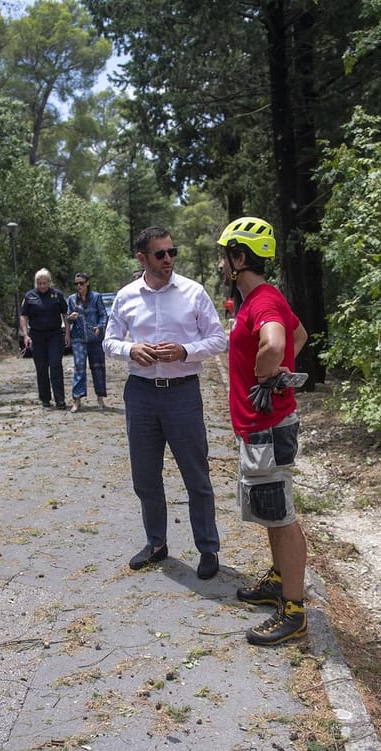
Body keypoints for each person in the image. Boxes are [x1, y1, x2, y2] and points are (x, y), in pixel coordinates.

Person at [104, 226, 228, 579]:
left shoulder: (193, 292)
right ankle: (156, 543)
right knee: (145, 476)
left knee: (196, 475)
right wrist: (131, 349)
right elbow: (109, 341)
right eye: (161, 254)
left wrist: (186, 350)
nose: (169, 259)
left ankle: (208, 548)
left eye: (172, 251)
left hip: (183, 393)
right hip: (141, 394)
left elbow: (218, 339)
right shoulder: (126, 296)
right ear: (142, 258)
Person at [217, 217, 309, 645]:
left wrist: (264, 370)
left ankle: (293, 611)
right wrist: (276, 373)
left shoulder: (261, 302)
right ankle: (277, 581)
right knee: (270, 509)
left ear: (239, 258)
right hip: (263, 425)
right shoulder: (264, 298)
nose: (221, 265)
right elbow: (300, 335)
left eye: (224, 257)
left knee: (281, 513)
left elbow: (275, 342)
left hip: (268, 427)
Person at [18, 267, 70, 409]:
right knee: (41, 367)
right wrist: (25, 335)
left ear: (49, 282)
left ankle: (60, 399)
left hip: (54, 334)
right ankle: (45, 399)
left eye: (45, 283)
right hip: (37, 335)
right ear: (36, 283)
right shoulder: (30, 296)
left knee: (55, 365)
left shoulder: (57, 295)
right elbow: (23, 316)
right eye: (39, 283)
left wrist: (67, 333)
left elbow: (65, 315)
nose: (42, 286)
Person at [66, 271, 109, 411]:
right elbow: (67, 318)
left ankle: (100, 398)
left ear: (87, 283)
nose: (79, 286)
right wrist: (70, 318)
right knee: (79, 368)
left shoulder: (96, 297)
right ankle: (77, 400)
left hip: (95, 338)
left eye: (81, 283)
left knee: (98, 368)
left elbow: (103, 314)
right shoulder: (72, 299)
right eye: (76, 284)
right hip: (78, 338)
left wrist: (100, 326)